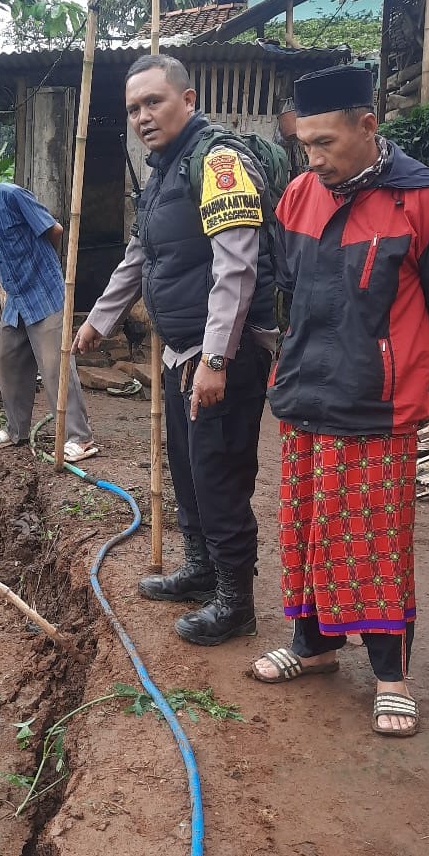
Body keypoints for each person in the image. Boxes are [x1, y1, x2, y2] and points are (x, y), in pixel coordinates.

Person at [247, 65, 429, 737]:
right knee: (310, 529)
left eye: (325, 143)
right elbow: (293, 290)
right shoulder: (298, 196)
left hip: (377, 408)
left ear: (368, 126)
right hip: (305, 394)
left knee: (374, 544)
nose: (313, 158)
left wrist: (407, 366)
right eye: (305, 143)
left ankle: (391, 675)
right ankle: (313, 645)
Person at [74, 55, 276, 646]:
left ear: (188, 101)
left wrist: (216, 360)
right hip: (183, 353)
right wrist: (100, 321)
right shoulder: (163, 170)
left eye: (154, 102)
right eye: (134, 108)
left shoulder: (218, 163)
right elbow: (141, 256)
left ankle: (237, 602)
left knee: (220, 477)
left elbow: (238, 266)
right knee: (187, 471)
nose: (142, 116)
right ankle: (201, 571)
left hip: (223, 357)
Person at [0, 154, 97, 464]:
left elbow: (54, 229)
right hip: (17, 298)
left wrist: (42, 265)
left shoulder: (11, 196)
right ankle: (17, 431)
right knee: (8, 360)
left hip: (45, 293)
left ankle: (80, 439)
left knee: (55, 368)